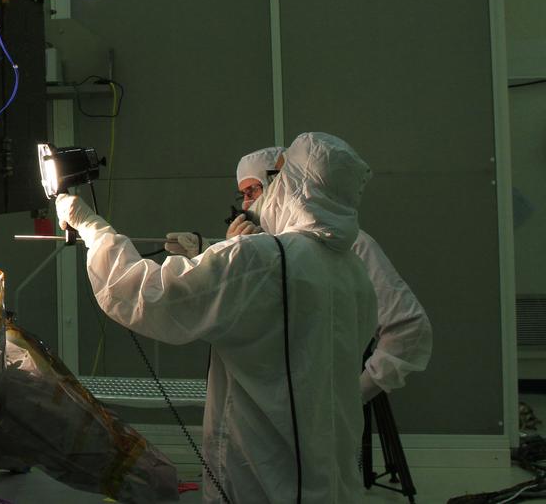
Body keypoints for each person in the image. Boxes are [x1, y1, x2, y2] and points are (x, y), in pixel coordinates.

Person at [59, 132, 377, 503]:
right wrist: (215, 252)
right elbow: (273, 316)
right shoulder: (352, 272)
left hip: (265, 473)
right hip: (329, 473)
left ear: (295, 184)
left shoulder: (263, 259)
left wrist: (93, 228)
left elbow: (144, 293)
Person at [167, 146, 434, 403]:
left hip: (316, 407)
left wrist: (356, 394)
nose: (247, 204)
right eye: (243, 196)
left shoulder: (349, 245)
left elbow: (409, 328)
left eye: (253, 191)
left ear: (282, 182)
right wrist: (209, 255)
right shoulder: (271, 246)